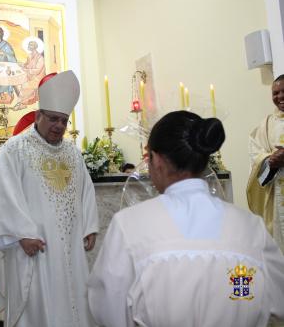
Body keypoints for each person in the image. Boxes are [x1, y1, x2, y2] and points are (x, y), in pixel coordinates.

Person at [88, 111, 284, 327]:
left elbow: (107, 310)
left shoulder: (129, 225)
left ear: (158, 160)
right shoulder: (251, 227)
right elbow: (279, 303)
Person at [0, 70, 99, 327]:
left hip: (71, 246)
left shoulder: (72, 152)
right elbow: (5, 194)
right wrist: (21, 234)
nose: (59, 126)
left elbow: (85, 190)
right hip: (35, 247)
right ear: (38, 116)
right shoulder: (14, 149)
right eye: (53, 119)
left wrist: (89, 225)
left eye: (64, 121)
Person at [247, 74, 284, 253]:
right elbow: (255, 154)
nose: (280, 97)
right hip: (276, 199)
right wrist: (270, 160)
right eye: (275, 93)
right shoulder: (267, 124)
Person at [13, 39, 46, 111]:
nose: (29, 46)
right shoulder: (30, 55)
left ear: (35, 47)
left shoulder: (40, 58)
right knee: (17, 82)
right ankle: (22, 102)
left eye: (30, 45)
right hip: (30, 75)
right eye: (29, 45)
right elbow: (27, 65)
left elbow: (37, 71)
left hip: (37, 78)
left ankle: (21, 103)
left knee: (25, 85)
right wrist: (22, 65)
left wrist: (26, 70)